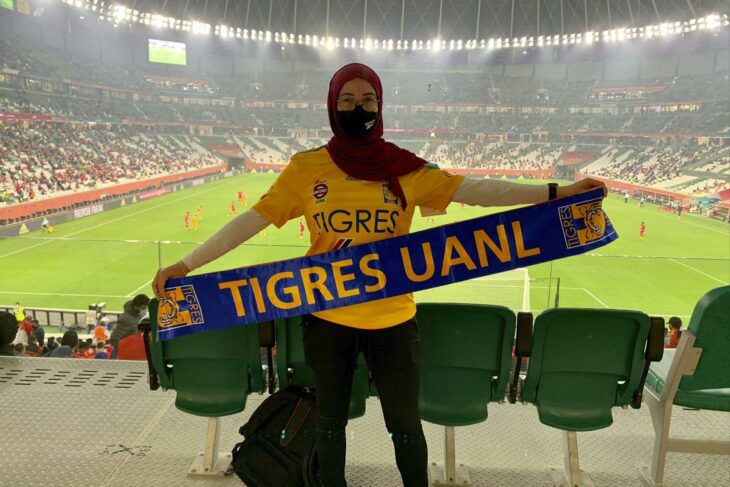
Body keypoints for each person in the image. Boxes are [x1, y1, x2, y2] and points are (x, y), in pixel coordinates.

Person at [152, 63, 607, 487]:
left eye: (368, 99)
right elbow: (251, 221)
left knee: (404, 425)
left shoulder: (403, 166)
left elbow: (480, 191)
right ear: (333, 106)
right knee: (330, 422)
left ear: (380, 105)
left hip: (394, 320)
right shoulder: (306, 168)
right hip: (327, 319)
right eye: (347, 99)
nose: (358, 108)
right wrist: (186, 265)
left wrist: (559, 192)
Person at [109, 294, 150, 359]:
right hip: (122, 354)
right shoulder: (125, 319)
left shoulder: (139, 314)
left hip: (134, 351)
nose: (145, 310)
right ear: (137, 306)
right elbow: (114, 339)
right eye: (143, 308)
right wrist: (126, 348)